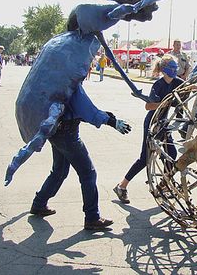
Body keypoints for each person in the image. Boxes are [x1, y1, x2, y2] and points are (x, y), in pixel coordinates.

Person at [30, 82, 131, 230]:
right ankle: (92, 217)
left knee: (59, 171)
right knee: (88, 174)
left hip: (55, 131)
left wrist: (106, 116)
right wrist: (111, 121)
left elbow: (76, 109)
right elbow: (85, 110)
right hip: (68, 135)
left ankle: (39, 203)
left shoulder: (56, 83)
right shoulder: (71, 84)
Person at [113, 55, 183, 204]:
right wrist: (164, 104)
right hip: (152, 123)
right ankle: (121, 186)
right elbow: (148, 106)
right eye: (172, 68)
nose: (175, 70)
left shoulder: (178, 82)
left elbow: (190, 86)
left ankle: (164, 186)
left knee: (171, 154)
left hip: (164, 123)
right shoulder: (158, 85)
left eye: (176, 67)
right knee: (145, 158)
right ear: (164, 70)